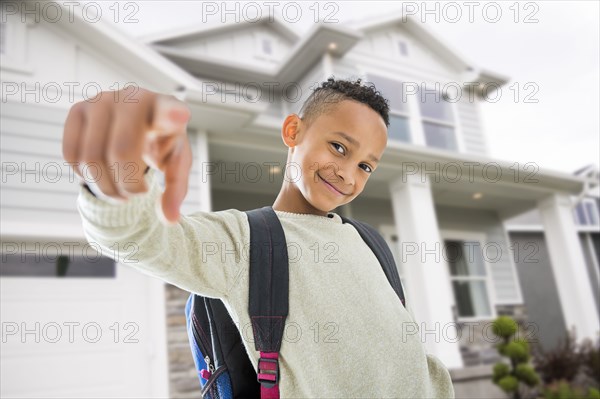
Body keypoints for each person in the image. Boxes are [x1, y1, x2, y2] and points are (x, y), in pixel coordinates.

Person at [63, 77, 455, 398]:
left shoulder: (371, 243)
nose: (349, 175)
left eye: (366, 165)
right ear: (293, 131)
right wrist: (119, 175)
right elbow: (136, 236)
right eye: (338, 147)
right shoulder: (245, 239)